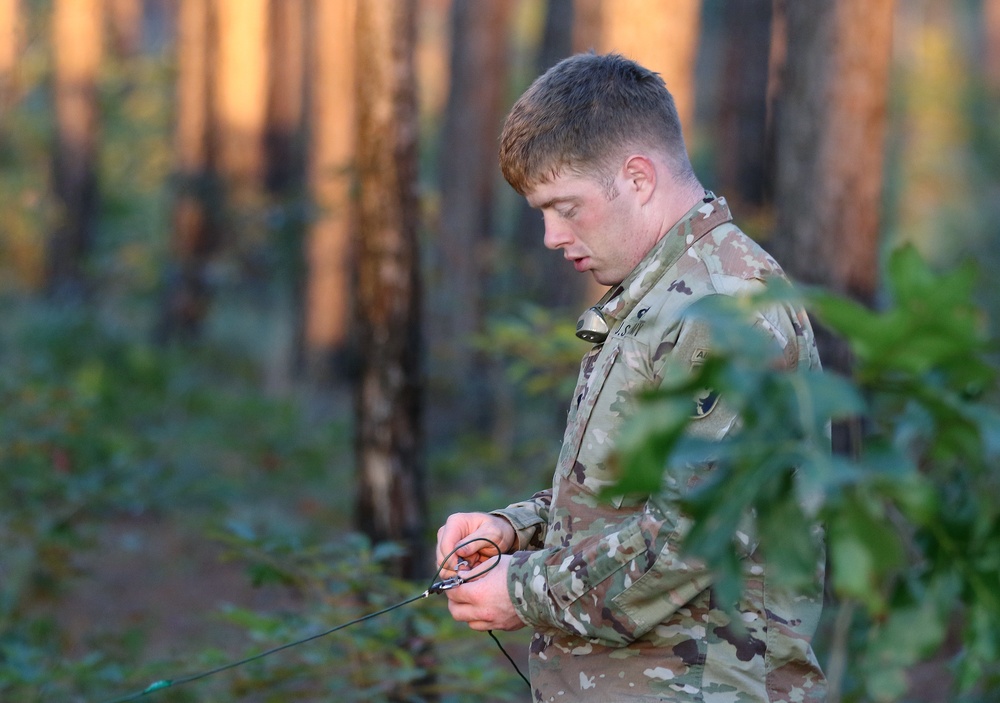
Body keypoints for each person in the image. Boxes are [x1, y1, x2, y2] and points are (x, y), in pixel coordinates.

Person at [435, 52, 827, 703]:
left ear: (638, 178)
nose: (551, 237)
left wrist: (519, 588)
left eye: (566, 207)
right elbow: (631, 489)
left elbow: (690, 540)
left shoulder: (724, 306)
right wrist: (511, 528)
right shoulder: (663, 294)